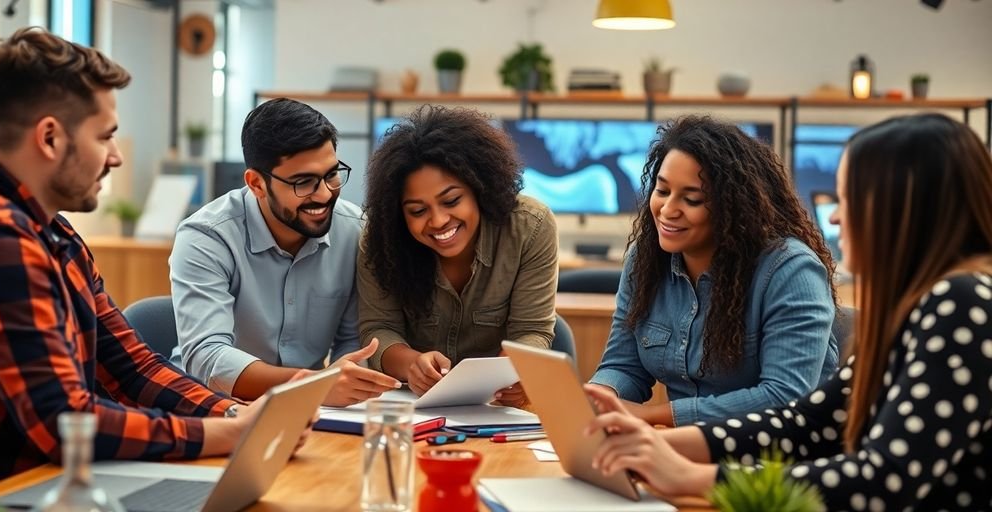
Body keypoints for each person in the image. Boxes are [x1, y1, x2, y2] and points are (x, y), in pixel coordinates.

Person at [584, 113, 992, 510]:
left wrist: (693, 476)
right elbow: (806, 423)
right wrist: (658, 445)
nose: (833, 215)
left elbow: (883, 478)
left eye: (847, 198)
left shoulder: (960, 302)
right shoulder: (916, 305)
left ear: (903, 211)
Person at [0, 28, 273, 484]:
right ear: (50, 138)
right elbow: (63, 422)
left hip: (55, 485)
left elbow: (132, 367)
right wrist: (220, 434)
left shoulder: (53, 232)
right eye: (105, 136)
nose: (115, 157)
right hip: (8, 493)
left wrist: (233, 412)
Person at [589, 116, 840, 426]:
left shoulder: (789, 270)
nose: (667, 211)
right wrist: (599, 397)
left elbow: (782, 396)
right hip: (679, 450)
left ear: (734, 206)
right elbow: (624, 366)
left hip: (774, 458)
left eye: (692, 199)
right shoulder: (646, 258)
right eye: (662, 191)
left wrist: (654, 417)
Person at [169, 98, 400, 406]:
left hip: (312, 411)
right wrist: (314, 385)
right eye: (303, 182)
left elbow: (352, 343)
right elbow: (207, 358)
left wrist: (346, 380)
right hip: (211, 405)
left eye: (331, 174)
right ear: (256, 183)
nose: (324, 194)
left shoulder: (354, 230)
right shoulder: (206, 237)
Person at [358, 105, 558, 407]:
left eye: (451, 200)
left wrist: (519, 372)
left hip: (497, 408)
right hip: (411, 406)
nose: (438, 221)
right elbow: (378, 328)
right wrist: (412, 364)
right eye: (418, 211)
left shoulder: (530, 227)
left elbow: (531, 331)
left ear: (480, 188)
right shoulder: (380, 240)